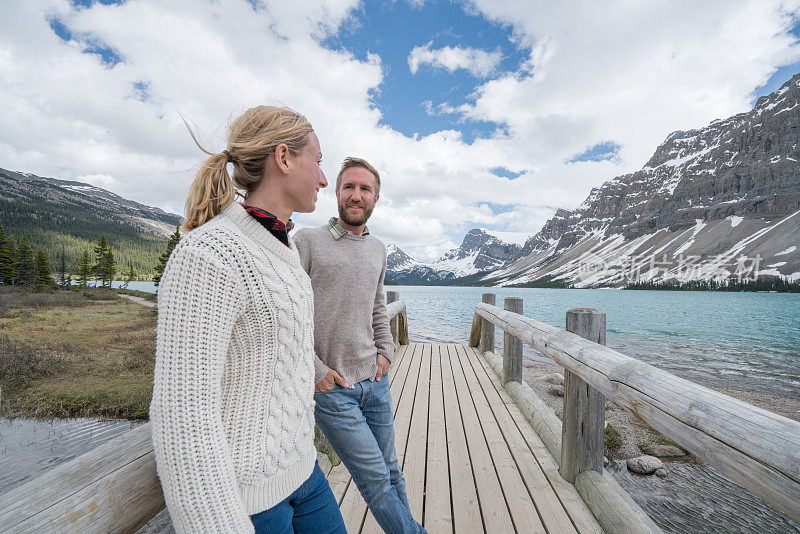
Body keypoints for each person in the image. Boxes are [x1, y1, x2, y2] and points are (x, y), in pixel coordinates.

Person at [150, 105, 347, 534]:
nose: (323, 179)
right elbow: (183, 415)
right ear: (283, 158)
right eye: (318, 161)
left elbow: (275, 345)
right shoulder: (210, 254)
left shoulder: (284, 248)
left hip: (304, 472)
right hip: (250, 500)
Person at [294, 157, 426, 534]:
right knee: (375, 482)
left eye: (364, 189)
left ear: (376, 198)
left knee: (392, 473)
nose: (356, 195)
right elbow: (290, 314)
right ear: (336, 194)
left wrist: (387, 351)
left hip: (375, 381)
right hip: (334, 390)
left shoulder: (378, 249)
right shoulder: (306, 241)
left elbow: (377, 305)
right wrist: (317, 371)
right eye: (348, 187)